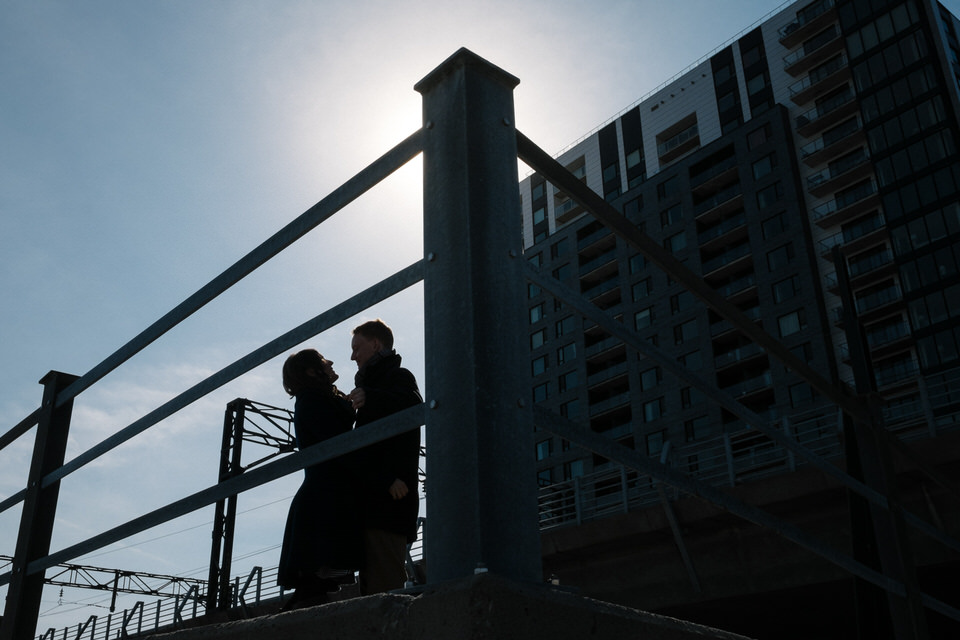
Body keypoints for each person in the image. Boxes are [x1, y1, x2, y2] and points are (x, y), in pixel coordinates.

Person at [277, 349, 361, 610]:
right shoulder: (312, 400)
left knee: (313, 584)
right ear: (313, 372)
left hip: (323, 495)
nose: (332, 361)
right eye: (325, 361)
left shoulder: (315, 398)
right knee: (313, 581)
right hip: (323, 498)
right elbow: (334, 437)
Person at [348, 319, 423, 594]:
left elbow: (415, 409)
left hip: (388, 503)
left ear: (376, 344)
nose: (352, 355)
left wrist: (371, 397)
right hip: (379, 501)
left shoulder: (398, 377)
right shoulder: (380, 383)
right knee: (376, 587)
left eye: (357, 347)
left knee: (383, 589)